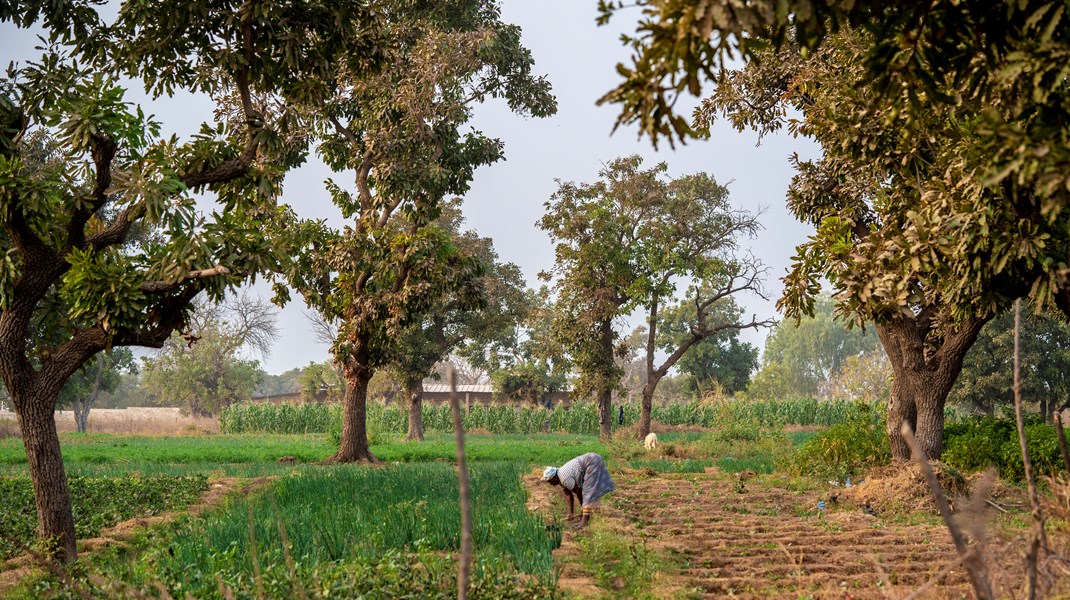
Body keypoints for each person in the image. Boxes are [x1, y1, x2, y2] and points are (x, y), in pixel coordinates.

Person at [542, 452, 616, 529]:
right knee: (590, 490)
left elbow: (579, 492)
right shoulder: (560, 478)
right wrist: (571, 513)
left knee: (588, 491)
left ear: (554, 477)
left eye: (550, 481)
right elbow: (568, 495)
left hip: (592, 461)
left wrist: (582, 510)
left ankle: (585, 521)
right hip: (591, 460)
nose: (550, 484)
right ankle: (594, 513)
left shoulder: (564, 478)